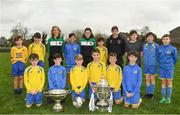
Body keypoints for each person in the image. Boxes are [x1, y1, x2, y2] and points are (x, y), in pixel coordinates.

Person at [158, 34, 178, 104]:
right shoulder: (160, 48)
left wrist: (171, 64)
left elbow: (175, 59)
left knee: (169, 82)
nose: (165, 40)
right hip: (162, 68)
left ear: (169, 40)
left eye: (167, 39)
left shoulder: (173, 48)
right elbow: (158, 57)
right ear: (162, 40)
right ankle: (163, 97)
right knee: (163, 82)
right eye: (164, 39)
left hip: (169, 68)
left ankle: (168, 98)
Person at [143, 32, 159, 99]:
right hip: (146, 65)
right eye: (148, 37)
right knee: (147, 79)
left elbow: (158, 55)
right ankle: (147, 93)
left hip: (153, 65)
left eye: (151, 37)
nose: (149, 38)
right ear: (146, 38)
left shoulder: (156, 45)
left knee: (152, 79)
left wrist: (157, 63)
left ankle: (151, 94)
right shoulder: (144, 45)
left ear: (153, 38)